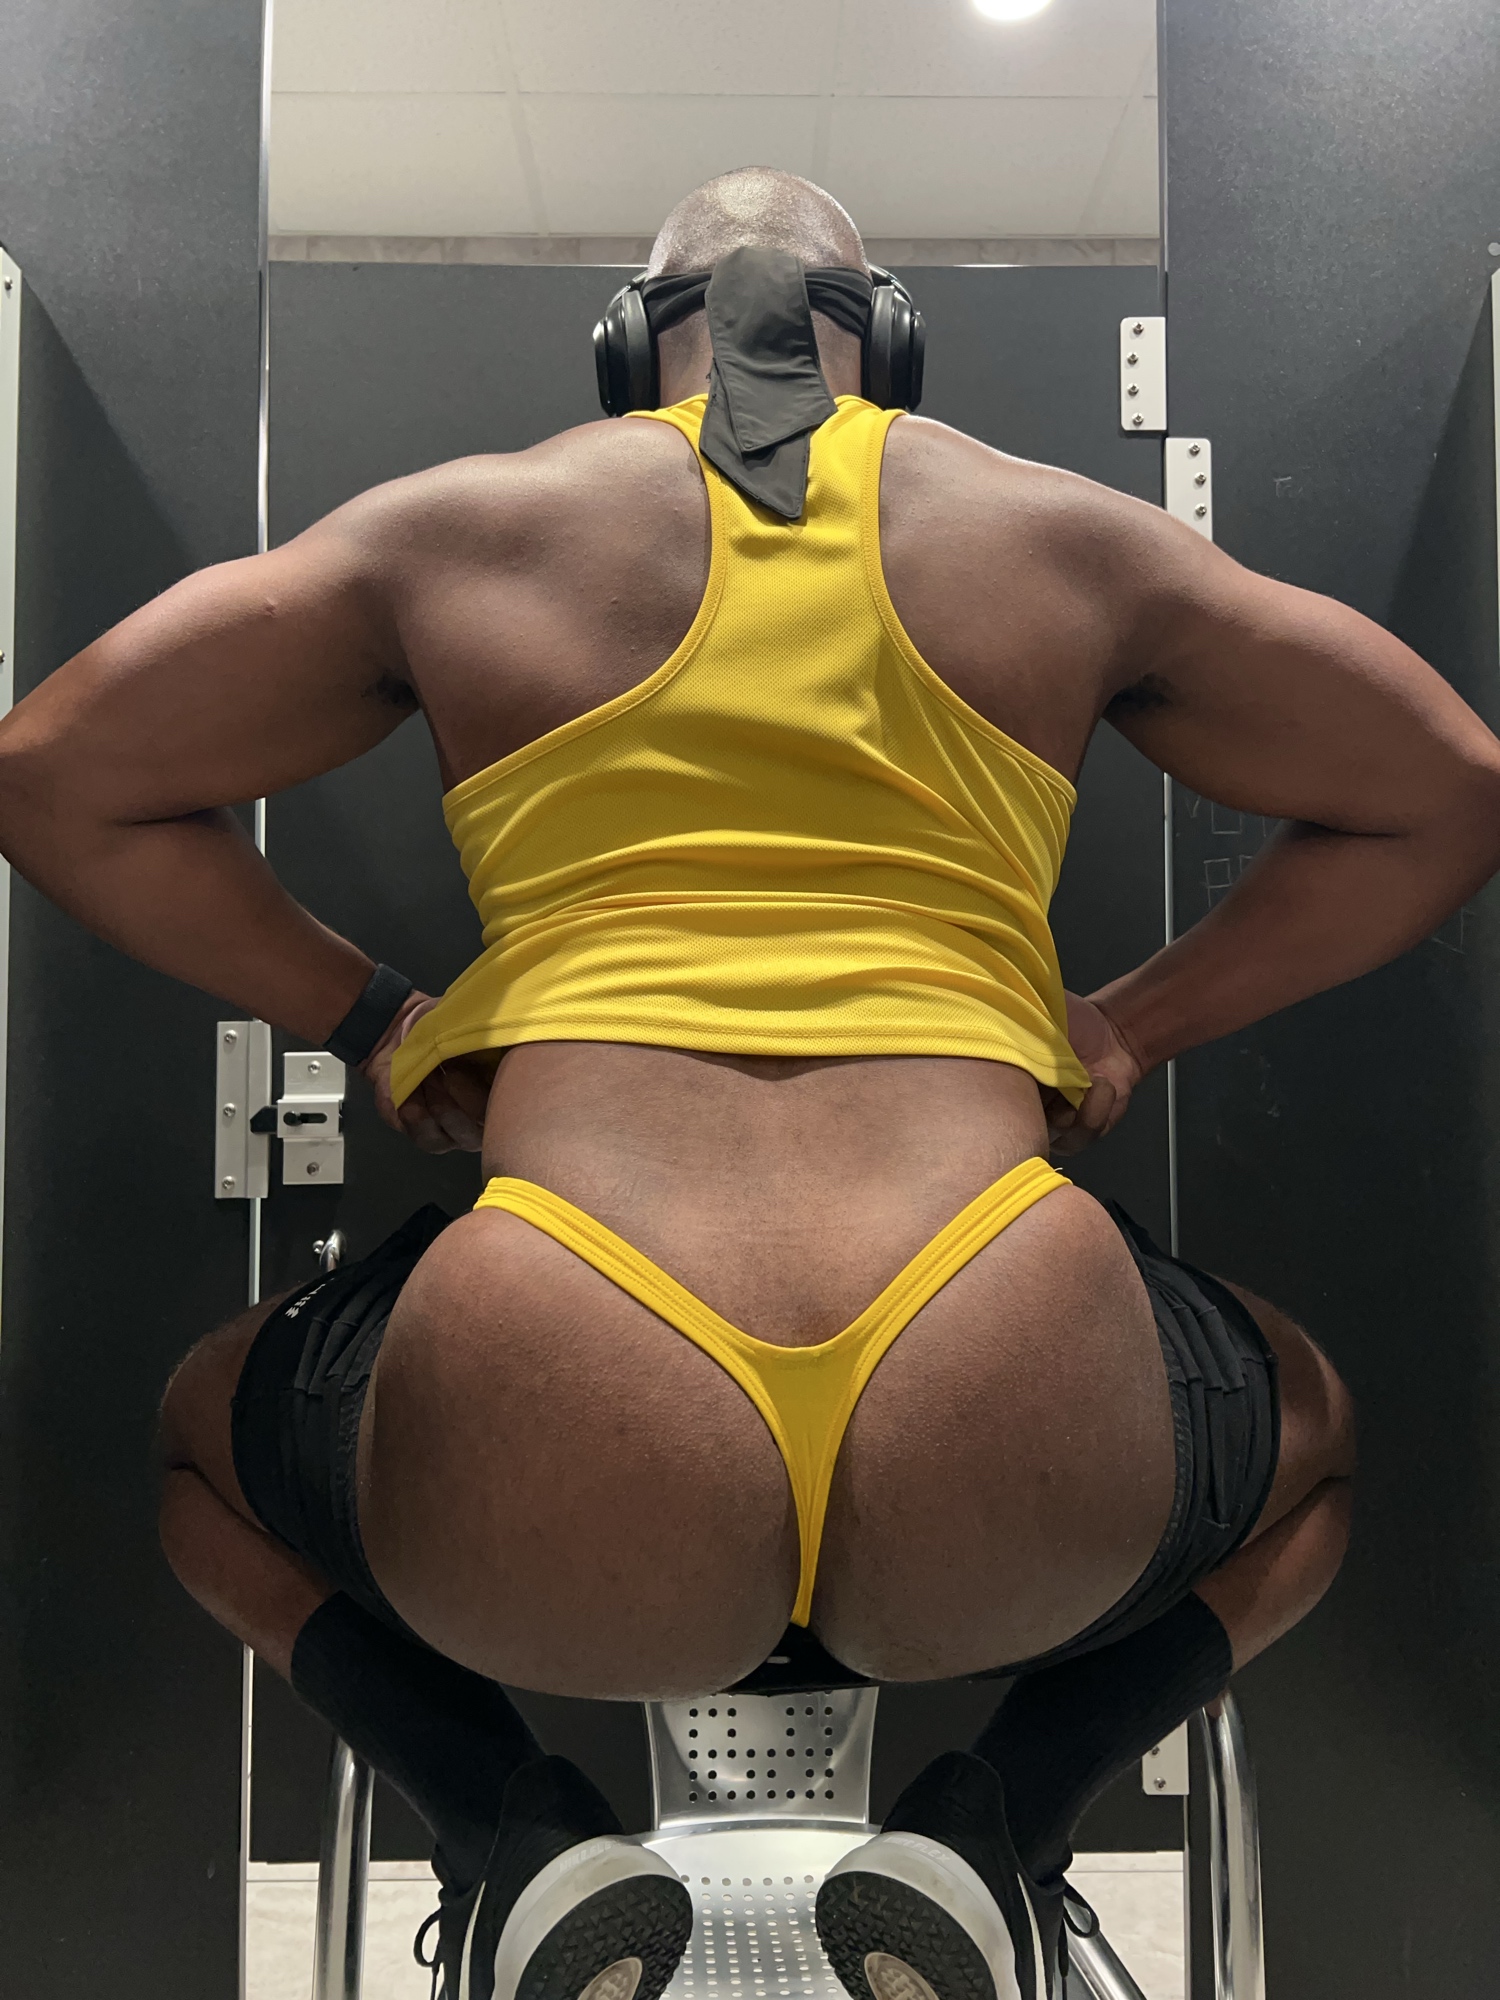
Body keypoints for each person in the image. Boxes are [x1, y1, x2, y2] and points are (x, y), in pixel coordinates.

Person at [0, 165, 1492, 2000]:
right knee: (1310, 1442)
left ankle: (513, 1834)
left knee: (198, 1445)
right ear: (895, 347)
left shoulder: (467, 531)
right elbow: (1447, 790)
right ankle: (994, 1830)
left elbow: (54, 771)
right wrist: (1131, 1023)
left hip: (567, 1369)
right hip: (1001, 1354)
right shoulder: (1065, 538)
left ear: (630, 342)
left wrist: (372, 1017)